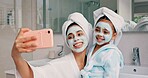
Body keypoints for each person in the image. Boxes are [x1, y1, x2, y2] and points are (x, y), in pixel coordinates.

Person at [11, 12, 92, 78]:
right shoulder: (60, 65)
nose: (76, 39)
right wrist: (16, 55)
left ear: (88, 35)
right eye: (70, 37)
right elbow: (31, 75)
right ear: (67, 41)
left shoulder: (94, 62)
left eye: (79, 34)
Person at [81, 7, 124, 78]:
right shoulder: (92, 48)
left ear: (114, 35)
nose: (100, 34)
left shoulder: (112, 54)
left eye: (105, 32)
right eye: (97, 30)